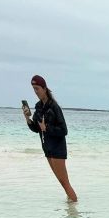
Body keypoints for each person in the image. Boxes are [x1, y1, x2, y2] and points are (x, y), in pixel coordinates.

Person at [22, 74, 77, 202]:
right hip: (48, 149)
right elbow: (36, 129)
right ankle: (71, 209)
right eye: (33, 89)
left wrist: (47, 128)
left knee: (65, 183)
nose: (35, 92)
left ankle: (76, 215)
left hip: (58, 149)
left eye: (37, 88)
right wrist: (27, 118)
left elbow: (64, 130)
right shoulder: (38, 107)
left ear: (44, 88)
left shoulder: (54, 107)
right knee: (61, 183)